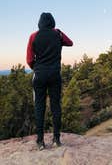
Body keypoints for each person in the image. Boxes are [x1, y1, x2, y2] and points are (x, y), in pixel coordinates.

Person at [26, 12, 73, 150]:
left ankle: (40, 142)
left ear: (39, 22)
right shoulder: (57, 34)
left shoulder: (33, 36)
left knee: (39, 107)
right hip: (54, 75)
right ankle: (56, 139)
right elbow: (70, 42)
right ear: (53, 21)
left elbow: (29, 59)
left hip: (39, 75)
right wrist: (58, 33)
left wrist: (37, 68)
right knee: (55, 106)